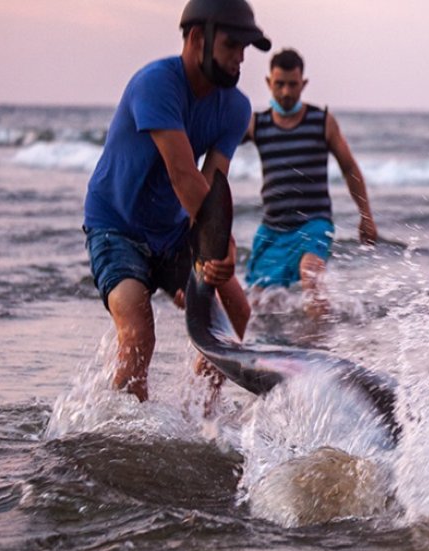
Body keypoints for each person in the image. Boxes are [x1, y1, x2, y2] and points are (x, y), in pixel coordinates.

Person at [83, 0, 271, 402]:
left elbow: (212, 181)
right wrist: (225, 245)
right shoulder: (156, 84)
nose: (241, 58)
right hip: (115, 226)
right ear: (197, 38)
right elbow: (183, 174)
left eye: (246, 49)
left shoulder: (235, 107)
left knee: (236, 310)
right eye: (233, 45)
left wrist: (212, 250)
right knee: (138, 334)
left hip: (172, 232)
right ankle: (122, 436)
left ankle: (198, 417)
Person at [244, 48, 378, 318]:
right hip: (273, 228)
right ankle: (267, 348)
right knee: (258, 303)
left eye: (292, 85)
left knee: (311, 277)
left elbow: (349, 167)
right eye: (279, 84)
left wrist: (366, 216)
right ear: (268, 83)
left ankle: (317, 348)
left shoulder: (322, 122)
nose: (285, 92)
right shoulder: (257, 124)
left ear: (303, 84)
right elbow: (216, 148)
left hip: (314, 223)